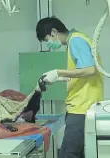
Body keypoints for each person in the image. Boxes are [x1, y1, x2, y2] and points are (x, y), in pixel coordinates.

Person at [36, 17, 103, 158]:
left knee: (68, 154)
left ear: (54, 32)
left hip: (82, 108)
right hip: (82, 106)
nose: (49, 45)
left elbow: (90, 70)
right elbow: (82, 72)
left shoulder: (76, 41)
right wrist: (59, 78)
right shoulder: (76, 40)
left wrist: (58, 72)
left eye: (47, 39)